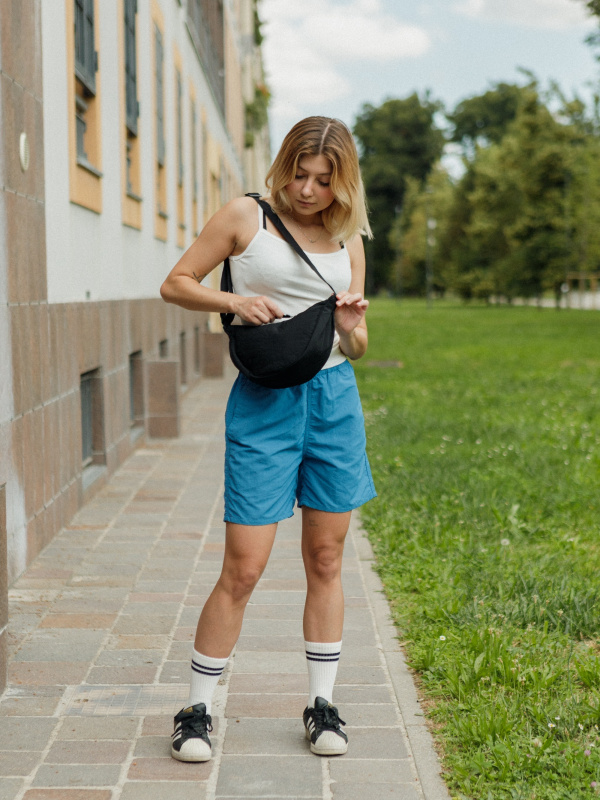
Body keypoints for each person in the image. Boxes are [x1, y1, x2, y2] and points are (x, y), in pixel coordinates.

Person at [160, 116, 376, 762]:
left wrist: (350, 326)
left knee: (327, 560)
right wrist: (235, 305)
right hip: (263, 403)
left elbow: (359, 348)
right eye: (300, 175)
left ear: (343, 184)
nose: (308, 190)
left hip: (335, 402)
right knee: (245, 566)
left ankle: (321, 704)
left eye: (323, 181)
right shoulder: (244, 219)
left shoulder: (348, 239)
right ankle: (195, 710)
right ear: (284, 165)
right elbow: (176, 283)